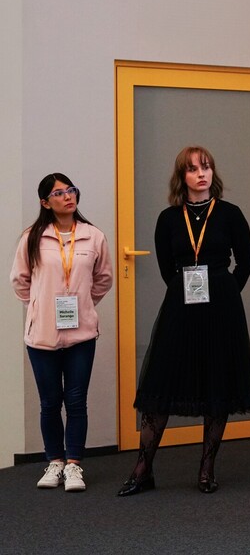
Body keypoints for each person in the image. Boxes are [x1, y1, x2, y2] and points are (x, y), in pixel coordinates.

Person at [117, 145, 250, 496]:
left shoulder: (230, 214)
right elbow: (167, 268)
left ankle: (207, 469)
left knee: (216, 384)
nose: (201, 174)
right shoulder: (168, 218)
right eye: (193, 169)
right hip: (181, 306)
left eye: (206, 167)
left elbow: (245, 263)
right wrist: (186, 292)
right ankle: (143, 470)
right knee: (160, 384)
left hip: (222, 308)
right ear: (182, 176)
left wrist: (226, 292)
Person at [10, 173, 113, 492]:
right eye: (59, 193)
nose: (68, 196)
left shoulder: (93, 236)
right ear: (45, 202)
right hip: (42, 335)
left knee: (77, 400)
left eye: (71, 190)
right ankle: (55, 461)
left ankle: (74, 464)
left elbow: (104, 278)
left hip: (81, 334)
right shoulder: (32, 237)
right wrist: (39, 307)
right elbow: (20, 280)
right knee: (50, 401)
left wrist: (83, 305)